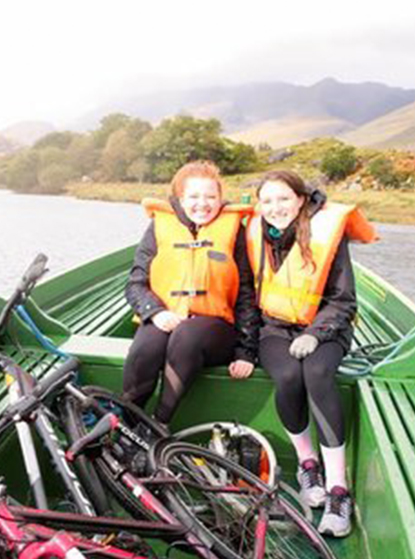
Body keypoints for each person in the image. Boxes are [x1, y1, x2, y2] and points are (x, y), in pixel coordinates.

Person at [246, 170, 376, 537]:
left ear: (301, 199)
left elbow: (343, 300)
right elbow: (246, 293)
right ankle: (308, 465)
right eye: (267, 201)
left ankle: (338, 490)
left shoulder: (326, 234)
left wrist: (317, 334)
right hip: (275, 329)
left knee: (316, 374)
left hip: (327, 330)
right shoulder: (255, 234)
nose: (276, 208)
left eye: (284, 199)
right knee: (288, 376)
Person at [122, 160, 259, 427]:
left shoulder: (234, 231)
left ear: (220, 198)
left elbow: (246, 294)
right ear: (180, 198)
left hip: (216, 328)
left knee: (187, 335)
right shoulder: (158, 227)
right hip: (166, 315)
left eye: (211, 196)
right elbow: (135, 283)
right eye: (194, 196)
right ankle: (125, 425)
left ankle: (159, 424)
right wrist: (155, 312)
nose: (203, 203)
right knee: (146, 350)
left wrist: (246, 351)